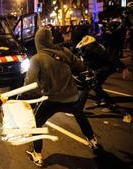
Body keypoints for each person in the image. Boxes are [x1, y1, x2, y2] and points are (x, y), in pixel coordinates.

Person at [22, 27, 99, 167]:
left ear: (37, 42)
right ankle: (92, 140)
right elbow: (81, 67)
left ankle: (37, 154)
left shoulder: (37, 59)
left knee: (36, 122)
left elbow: (29, 83)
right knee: (79, 114)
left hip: (51, 99)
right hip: (71, 95)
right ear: (50, 40)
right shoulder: (64, 52)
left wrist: (26, 97)